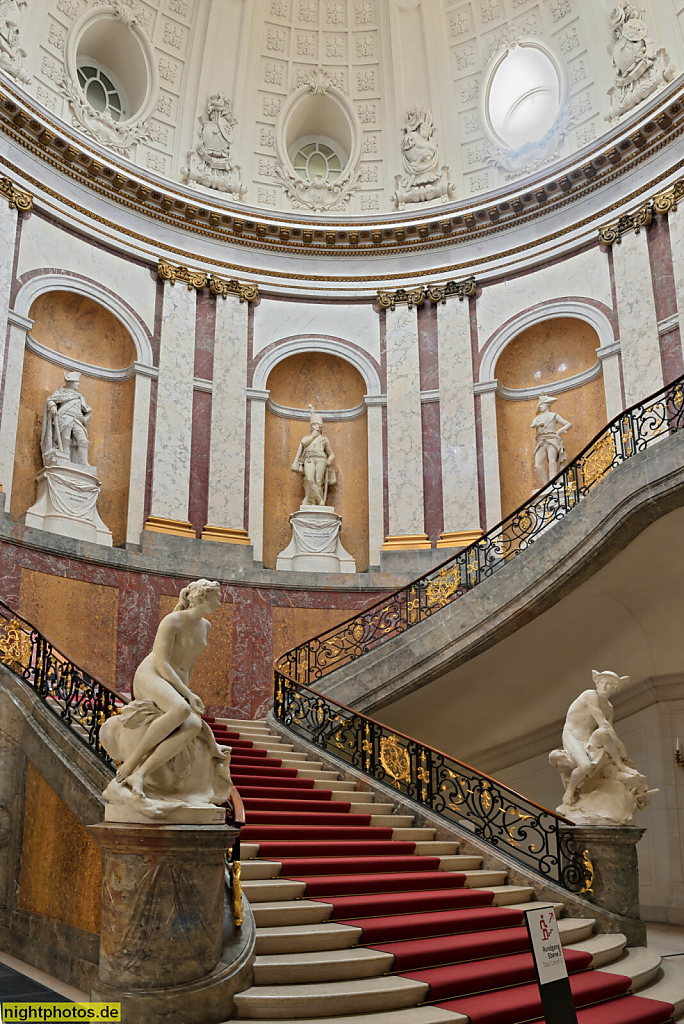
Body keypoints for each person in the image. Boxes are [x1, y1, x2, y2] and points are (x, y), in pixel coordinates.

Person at [112, 579, 228, 802]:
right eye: (218, 598)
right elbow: (163, 663)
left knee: (193, 724)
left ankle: (140, 774)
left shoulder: (206, 627)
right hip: (151, 675)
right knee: (180, 709)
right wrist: (187, 695)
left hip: (175, 680)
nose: (220, 604)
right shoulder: (172, 621)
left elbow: (189, 663)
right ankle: (131, 763)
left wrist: (186, 691)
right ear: (203, 598)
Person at [559, 669, 630, 806]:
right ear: (597, 682)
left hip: (587, 739)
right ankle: (570, 789)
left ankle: (620, 765)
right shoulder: (589, 695)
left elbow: (608, 730)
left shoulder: (609, 708)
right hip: (572, 736)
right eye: (602, 682)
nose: (604, 687)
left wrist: (620, 751)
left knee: (603, 733)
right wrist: (621, 748)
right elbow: (601, 722)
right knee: (585, 766)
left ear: (615, 688)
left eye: (609, 684)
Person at [41, 370, 92, 465]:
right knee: (65, 439)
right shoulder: (61, 392)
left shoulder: (79, 397)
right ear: (70, 383)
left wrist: (85, 419)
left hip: (77, 420)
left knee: (83, 441)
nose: (79, 384)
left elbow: (88, 411)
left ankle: (84, 463)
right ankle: (66, 461)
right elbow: (51, 400)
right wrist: (52, 406)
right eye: (76, 382)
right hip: (64, 418)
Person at [291, 405, 336, 506]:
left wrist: (329, 461)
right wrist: (313, 436)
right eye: (313, 425)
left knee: (319, 481)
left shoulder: (324, 439)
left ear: (320, 427)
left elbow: (331, 454)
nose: (313, 426)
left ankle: (314, 503)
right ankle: (320, 500)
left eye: (316, 425)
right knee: (310, 479)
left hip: (321, 459)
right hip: (309, 459)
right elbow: (303, 443)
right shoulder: (307, 437)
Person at [531, 394, 571, 486]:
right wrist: (537, 424)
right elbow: (532, 425)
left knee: (552, 461)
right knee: (538, 464)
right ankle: (546, 485)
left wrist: (559, 431)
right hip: (541, 441)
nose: (540, 407)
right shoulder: (537, 418)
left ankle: (554, 484)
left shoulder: (554, 415)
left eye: (542, 405)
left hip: (552, 439)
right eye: (540, 405)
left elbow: (568, 424)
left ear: (547, 405)